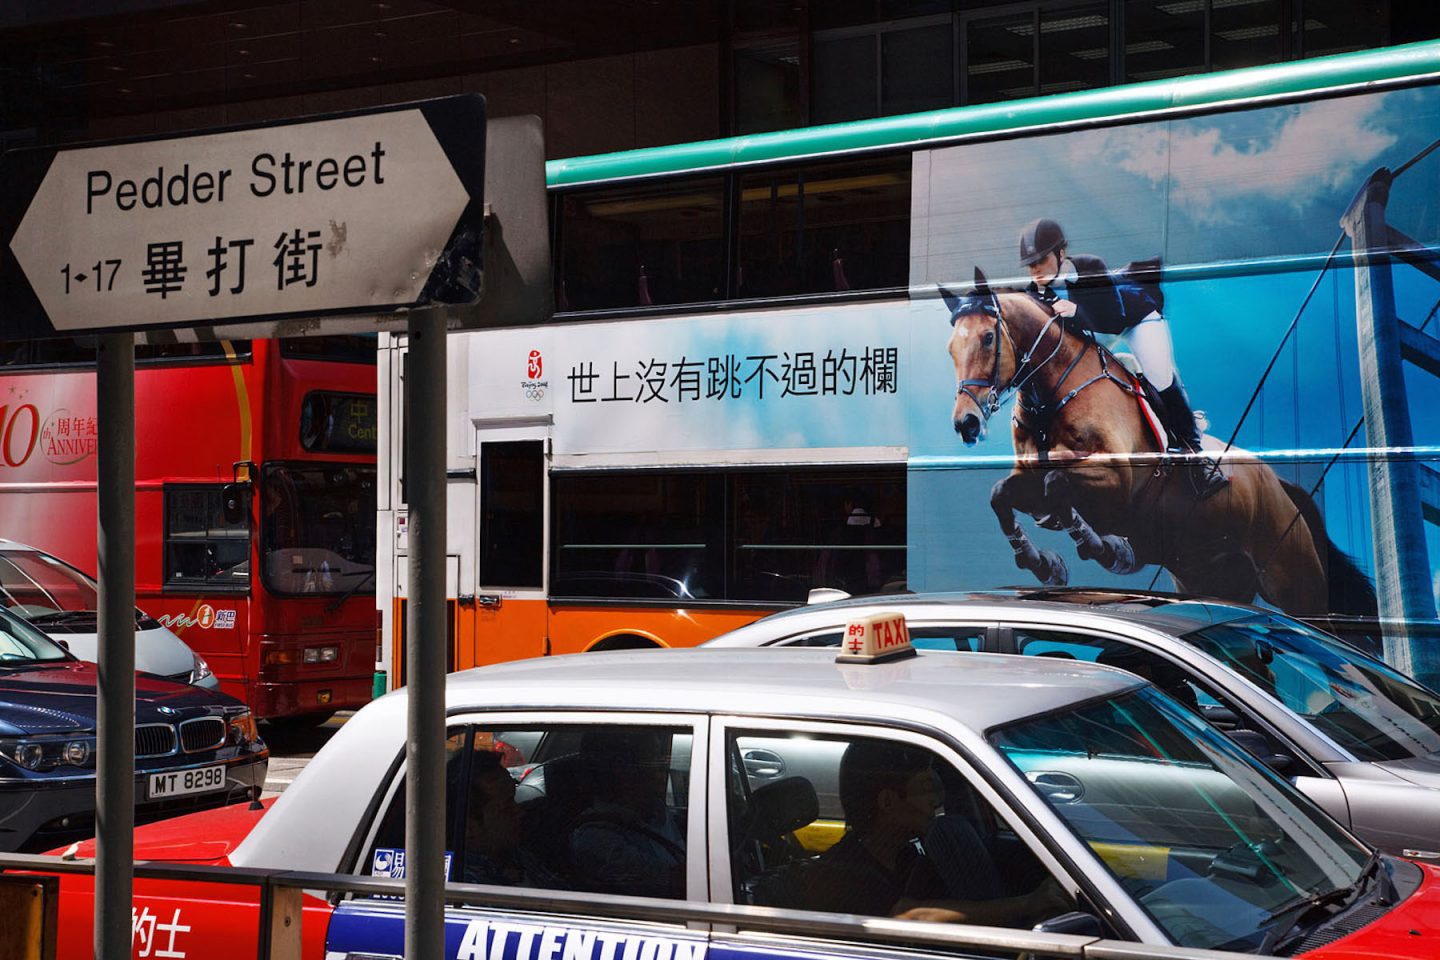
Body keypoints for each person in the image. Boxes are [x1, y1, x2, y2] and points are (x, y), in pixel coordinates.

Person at [1018, 217, 1227, 499]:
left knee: (1159, 378)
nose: (1036, 270)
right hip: (1095, 334)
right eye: (1031, 265)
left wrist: (1075, 312)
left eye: (1041, 260)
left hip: (1135, 318)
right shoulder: (1034, 293)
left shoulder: (1090, 266)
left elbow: (1114, 320)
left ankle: (1196, 456)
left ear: (1061, 254)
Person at [789, 740, 1071, 926]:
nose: (937, 801)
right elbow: (913, 916)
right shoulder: (845, 871)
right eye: (925, 789)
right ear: (888, 801)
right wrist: (1028, 904)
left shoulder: (907, 853)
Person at [567, 728, 686, 898]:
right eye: (652, 759)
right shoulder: (595, 837)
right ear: (623, 769)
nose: (663, 767)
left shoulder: (654, 810)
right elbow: (672, 884)